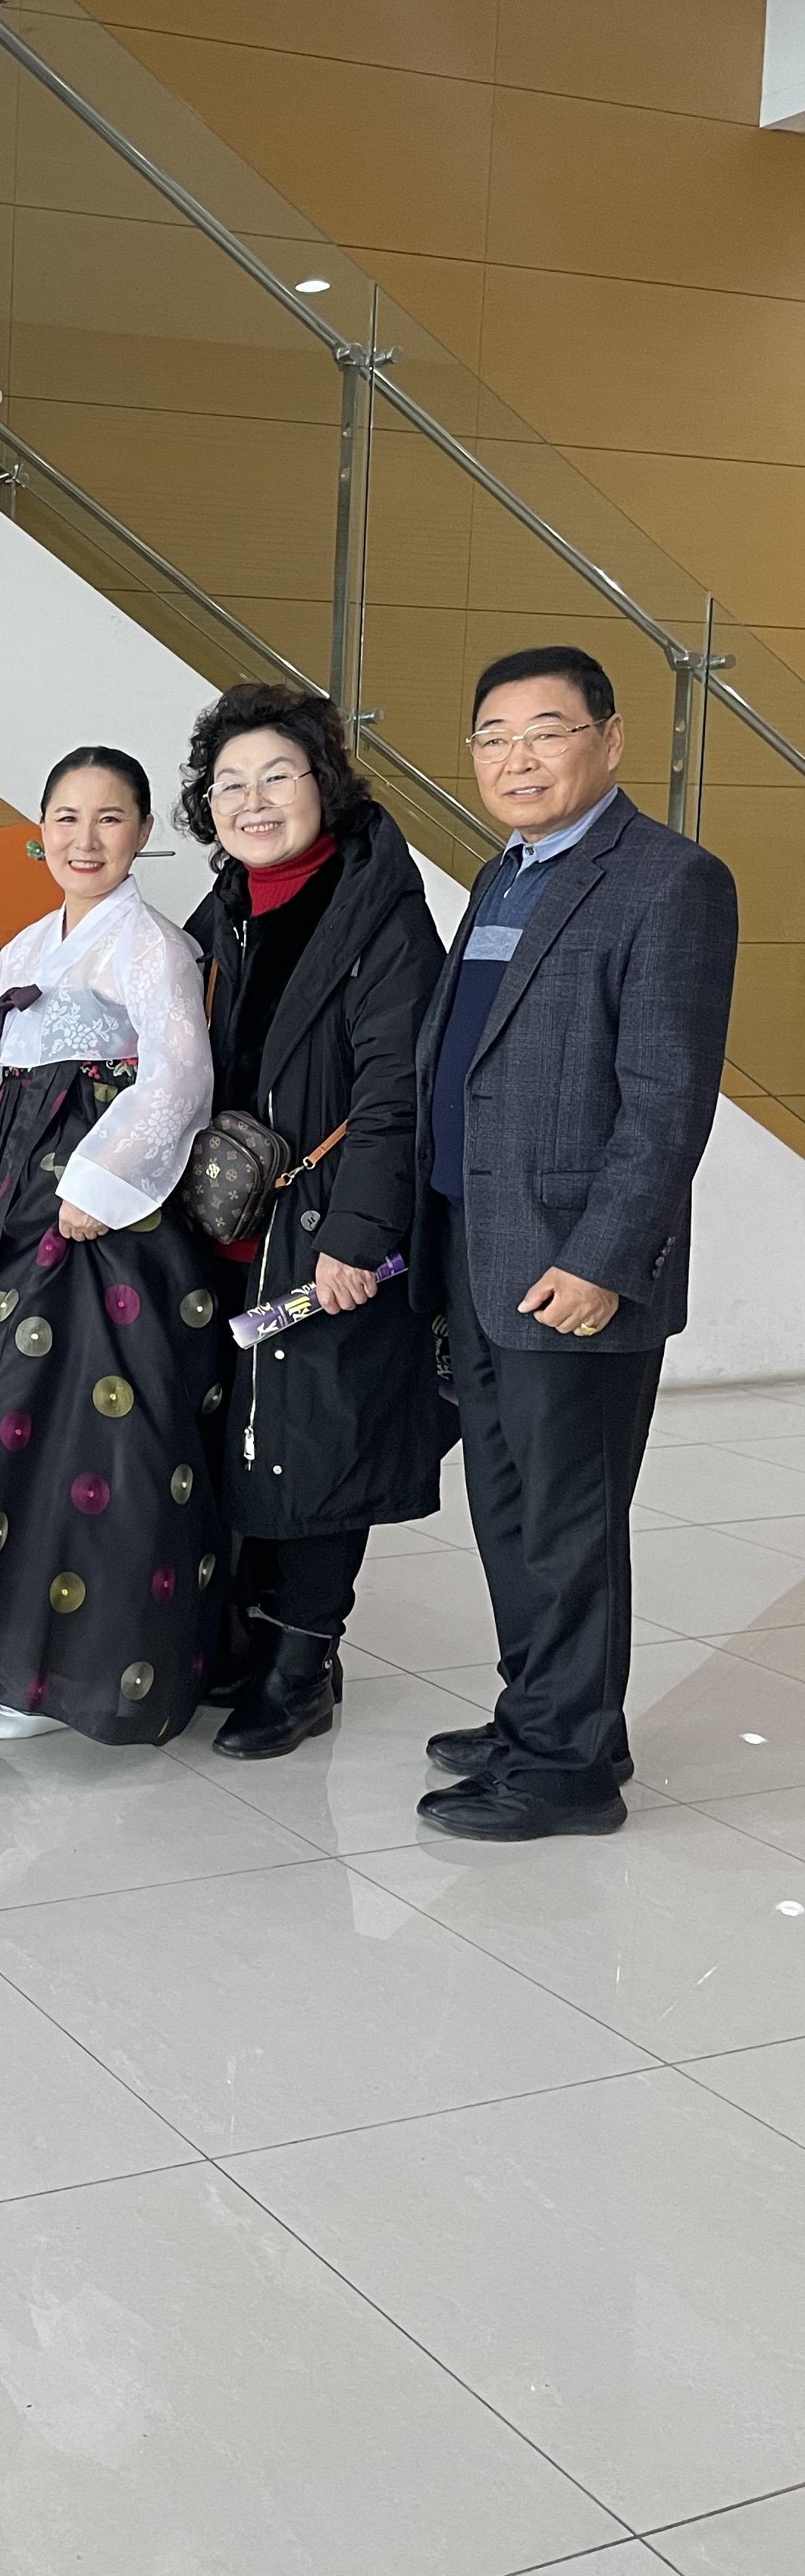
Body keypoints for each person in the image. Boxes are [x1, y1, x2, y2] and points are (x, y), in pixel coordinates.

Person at [412, 643, 738, 1839]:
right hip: (476, 1244)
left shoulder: (669, 880)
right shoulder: (505, 874)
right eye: (493, 737)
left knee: (568, 1516)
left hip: (570, 1262)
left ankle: (567, 1772)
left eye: (546, 730)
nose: (517, 757)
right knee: (507, 1506)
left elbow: (666, 1099)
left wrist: (604, 1259)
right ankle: (546, 1716)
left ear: (609, 740)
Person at [0, 745, 224, 1744]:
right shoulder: (23, 949)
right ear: (41, 833)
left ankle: (56, 1675)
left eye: (110, 819)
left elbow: (178, 1077)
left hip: (100, 1223)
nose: (85, 839)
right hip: (8, 1207)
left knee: (84, 1431)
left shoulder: (153, 946)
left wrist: (100, 1187)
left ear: (143, 832)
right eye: (66, 818)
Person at [181, 687, 453, 1758]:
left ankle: (302, 1667)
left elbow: (397, 1094)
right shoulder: (224, 912)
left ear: (324, 784)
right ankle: (259, 1638)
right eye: (229, 786)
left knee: (323, 1443)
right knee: (250, 1438)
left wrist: (357, 1234)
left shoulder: (378, 911)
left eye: (276, 778)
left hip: (325, 1231)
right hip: (228, 1230)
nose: (252, 802)